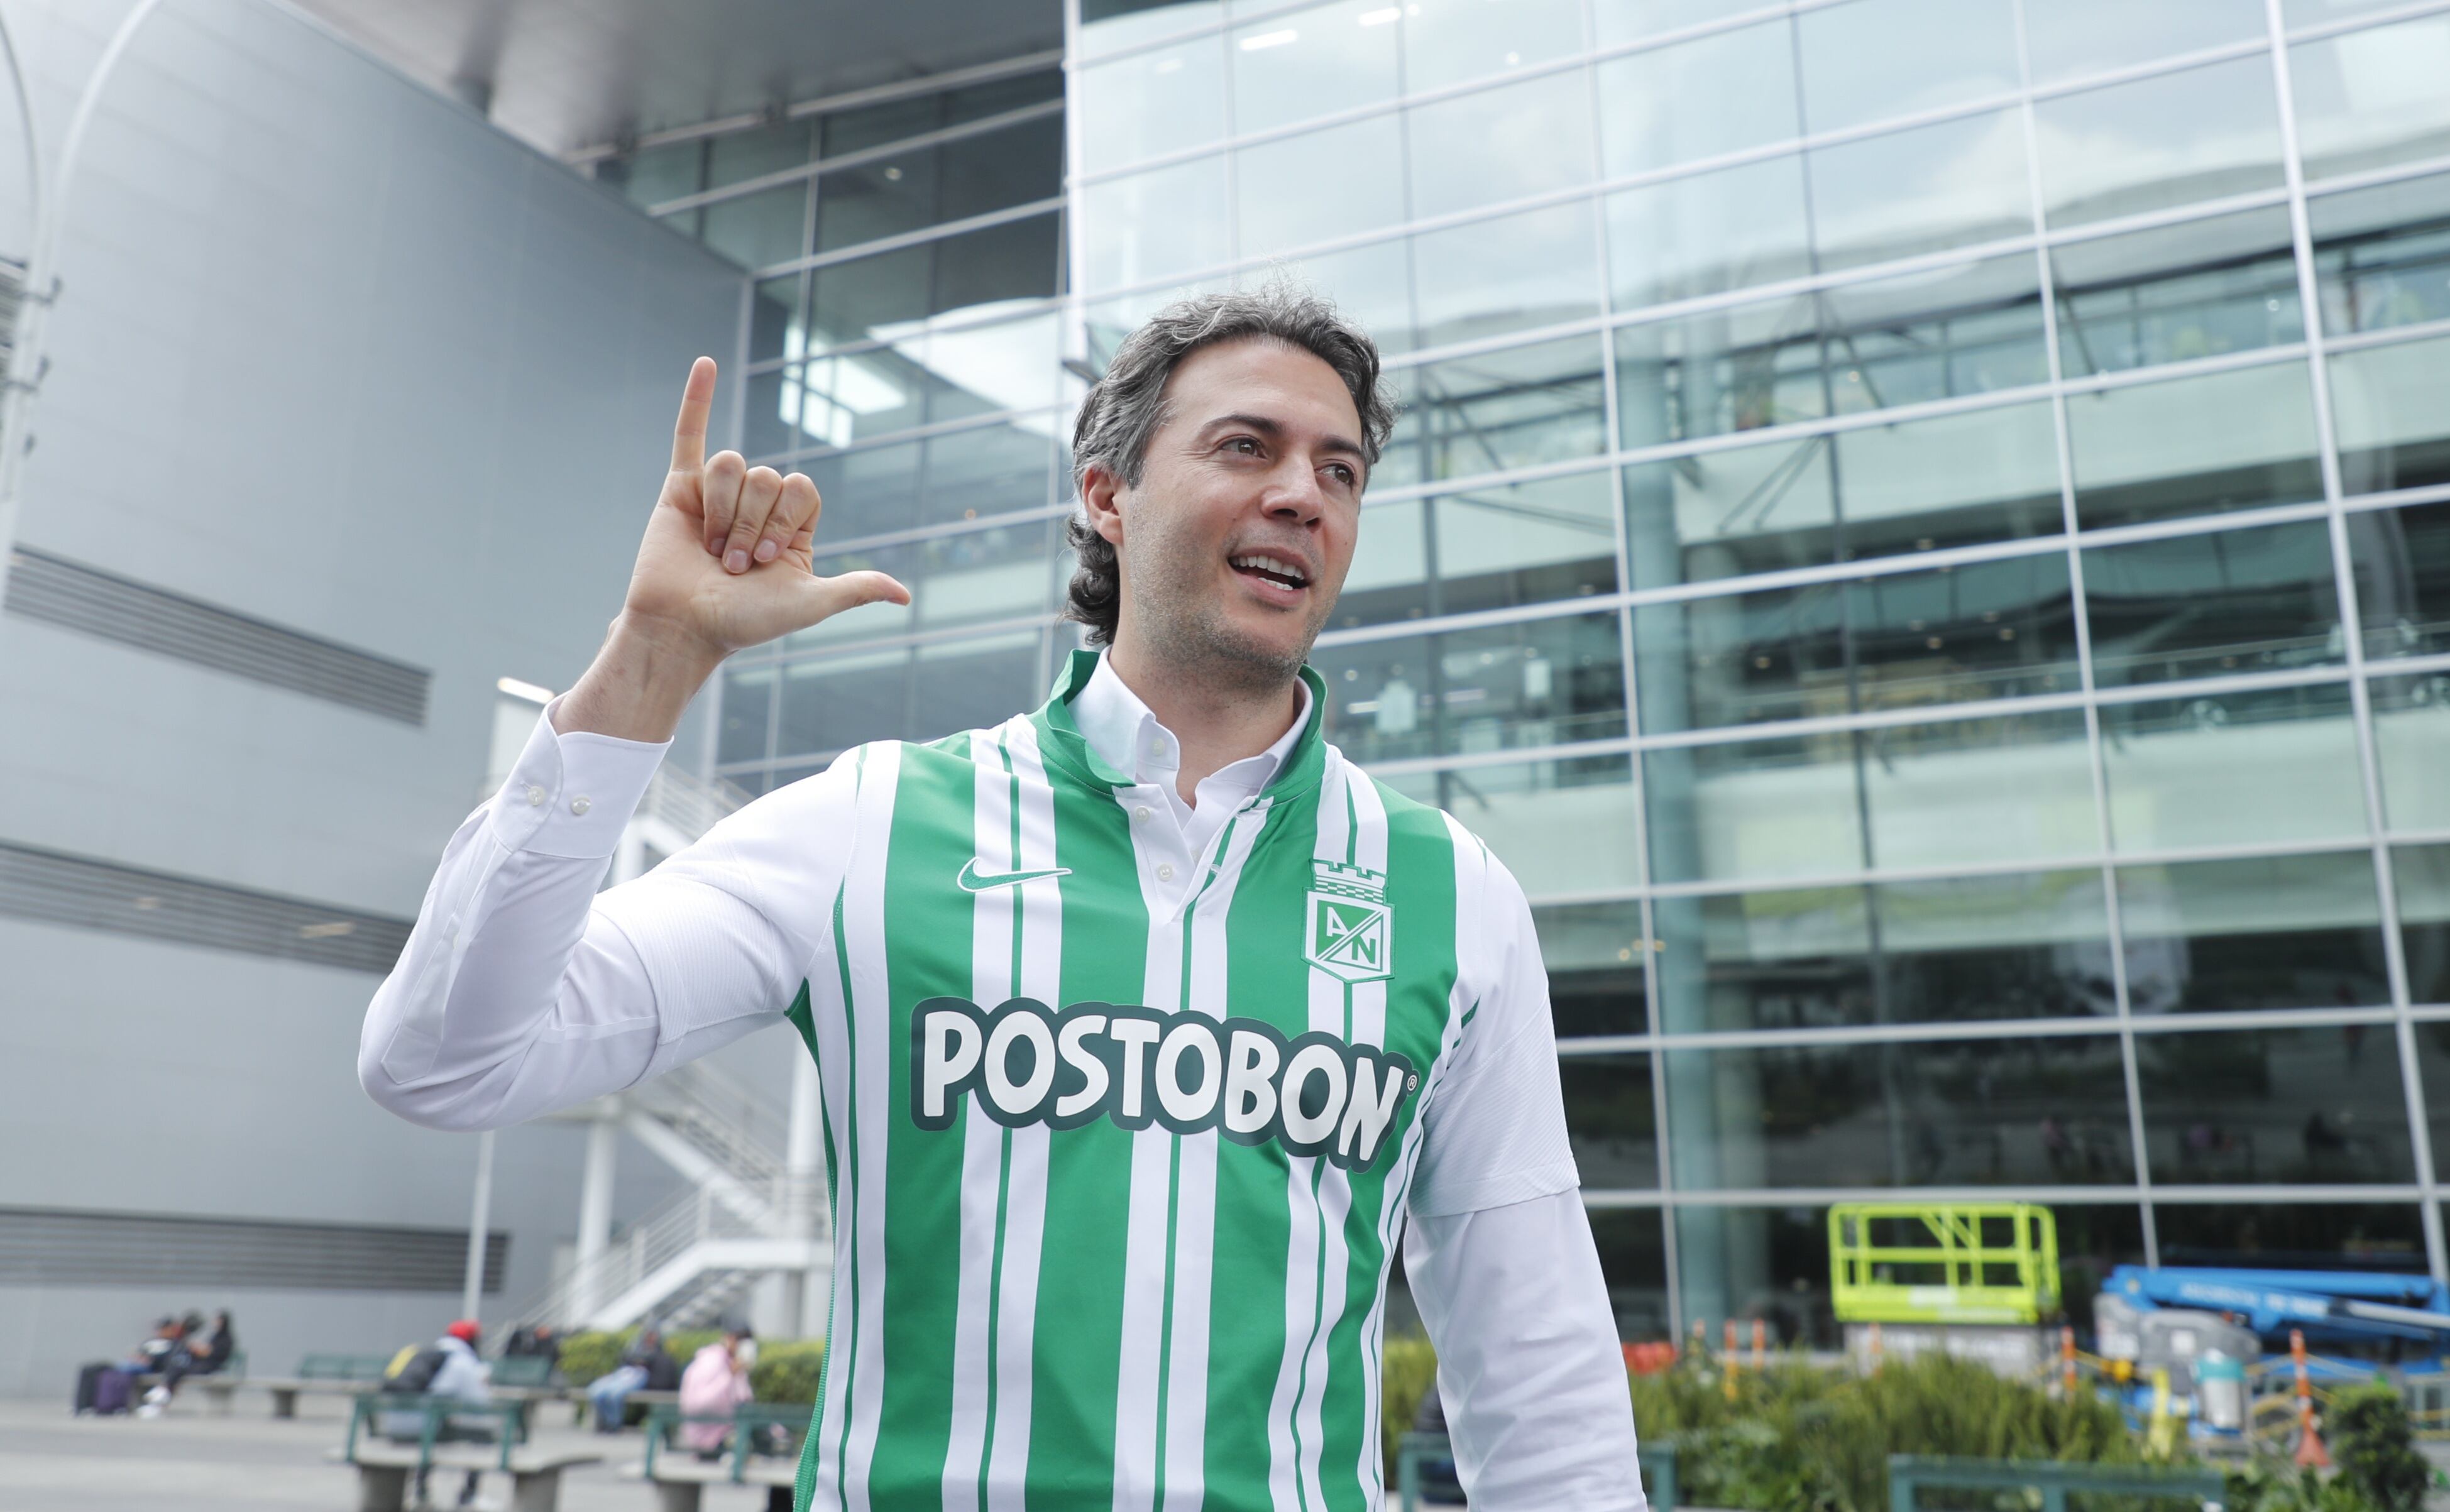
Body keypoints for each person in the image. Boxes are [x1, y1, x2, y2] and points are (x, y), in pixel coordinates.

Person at [360, 287, 1642, 1509]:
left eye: (1339, 469)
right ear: (1105, 494)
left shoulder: (1452, 891)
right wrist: (655, 655)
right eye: (1246, 445)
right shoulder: (873, 823)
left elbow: (1531, 1354)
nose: (1301, 494)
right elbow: (444, 1063)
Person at [380, 1319, 493, 1509]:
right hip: (423, 1427)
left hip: (392, 1425)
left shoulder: (421, 1353)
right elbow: (481, 1404)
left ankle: (421, 1490)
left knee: (434, 1430)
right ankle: (469, 1494)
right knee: (482, 1435)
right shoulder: (462, 1362)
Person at [677, 1324, 756, 1459]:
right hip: (707, 1437)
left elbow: (745, 1400)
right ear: (729, 1339)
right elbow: (700, 1404)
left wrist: (740, 1374)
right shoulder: (711, 1361)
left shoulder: (731, 1362)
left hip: (724, 1430)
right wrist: (730, 1375)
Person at [588, 1324, 679, 1433]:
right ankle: (604, 1423)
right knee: (597, 1393)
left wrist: (640, 1363)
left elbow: (656, 1372)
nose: (650, 1338)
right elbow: (626, 1361)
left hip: (640, 1378)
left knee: (614, 1395)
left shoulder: (660, 1353)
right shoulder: (635, 1347)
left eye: (653, 1336)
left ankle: (614, 1423)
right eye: (648, 1335)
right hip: (625, 1375)